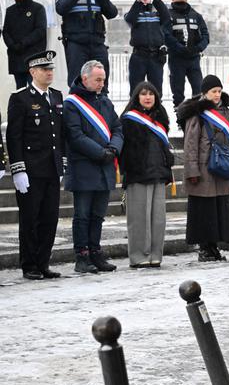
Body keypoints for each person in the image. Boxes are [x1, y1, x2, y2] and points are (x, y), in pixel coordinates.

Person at [63, 60, 123, 274]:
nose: (101, 84)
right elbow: (75, 136)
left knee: (98, 214)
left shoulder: (105, 102)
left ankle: (95, 252)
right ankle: (82, 255)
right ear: (85, 78)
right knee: (82, 215)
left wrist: (113, 149)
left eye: (103, 80)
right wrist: (100, 153)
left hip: (105, 167)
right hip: (84, 168)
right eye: (98, 80)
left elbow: (117, 128)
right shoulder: (72, 104)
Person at [7, 51, 60, 280]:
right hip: (31, 170)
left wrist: (61, 164)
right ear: (32, 72)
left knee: (49, 218)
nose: (49, 73)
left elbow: (59, 134)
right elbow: (14, 137)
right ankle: (29, 264)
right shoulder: (20, 98)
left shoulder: (56, 96)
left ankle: (43, 262)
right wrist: (18, 169)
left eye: (51, 69)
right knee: (30, 219)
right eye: (44, 69)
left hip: (51, 169)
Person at [177, 75, 229, 262]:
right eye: (214, 91)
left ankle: (214, 247)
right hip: (204, 169)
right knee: (204, 211)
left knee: (219, 211)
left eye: (219, 91)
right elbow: (191, 144)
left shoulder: (227, 112)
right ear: (205, 93)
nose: (217, 94)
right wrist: (192, 171)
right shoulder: (197, 113)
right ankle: (205, 248)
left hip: (223, 167)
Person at [119, 81, 174, 268]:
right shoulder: (128, 119)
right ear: (137, 97)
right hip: (138, 174)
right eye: (143, 94)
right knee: (139, 219)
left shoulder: (161, 117)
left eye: (151, 94)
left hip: (158, 173)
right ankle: (138, 256)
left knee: (158, 219)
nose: (148, 97)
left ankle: (156, 254)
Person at [55, 0, 118, 90]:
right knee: (76, 79)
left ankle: (101, 98)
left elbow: (112, 13)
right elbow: (61, 9)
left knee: (101, 77)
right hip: (76, 44)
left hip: (97, 44)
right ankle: (77, 99)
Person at [164, 0, 210, 107]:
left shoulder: (196, 15)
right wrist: (178, 47)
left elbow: (205, 35)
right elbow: (166, 35)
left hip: (194, 58)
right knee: (178, 92)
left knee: (198, 90)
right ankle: (180, 115)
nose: (182, 0)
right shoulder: (168, 15)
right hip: (176, 59)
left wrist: (198, 48)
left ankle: (197, 114)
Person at [124, 0, 170, 94]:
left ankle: (156, 106)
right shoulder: (133, 14)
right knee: (135, 89)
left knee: (156, 90)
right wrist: (137, 2)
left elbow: (166, 16)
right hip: (139, 56)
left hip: (156, 57)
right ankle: (135, 105)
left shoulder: (157, 15)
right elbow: (129, 19)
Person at [3, 0, 48, 89]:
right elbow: (5, 31)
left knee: (35, 88)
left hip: (33, 55)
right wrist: (12, 45)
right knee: (20, 89)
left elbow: (40, 30)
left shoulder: (38, 8)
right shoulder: (10, 11)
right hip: (16, 56)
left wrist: (23, 43)